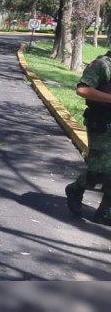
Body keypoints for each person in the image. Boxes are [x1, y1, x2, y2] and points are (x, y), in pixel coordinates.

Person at [66, 51, 111, 225]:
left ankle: (104, 211)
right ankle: (75, 189)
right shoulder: (103, 65)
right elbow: (82, 89)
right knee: (100, 172)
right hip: (103, 125)